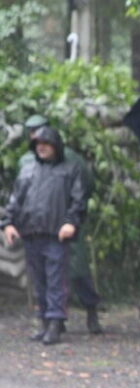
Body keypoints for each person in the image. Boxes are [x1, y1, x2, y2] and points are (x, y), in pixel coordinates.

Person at [19, 115, 103, 334]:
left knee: (77, 270)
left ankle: (90, 309)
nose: (36, 136)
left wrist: (72, 218)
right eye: (32, 132)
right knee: (44, 275)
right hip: (38, 227)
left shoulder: (71, 158)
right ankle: (52, 320)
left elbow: (86, 187)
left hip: (67, 223)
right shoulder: (26, 162)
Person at [1, 126, 85, 345]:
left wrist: (71, 222)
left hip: (56, 234)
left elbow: (78, 201)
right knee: (38, 281)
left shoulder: (70, 169)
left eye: (46, 144)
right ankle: (45, 322)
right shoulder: (27, 170)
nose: (42, 148)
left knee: (56, 280)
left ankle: (56, 323)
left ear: (56, 146)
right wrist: (7, 223)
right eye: (38, 144)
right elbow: (15, 200)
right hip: (30, 233)